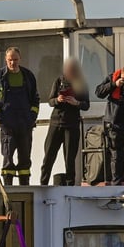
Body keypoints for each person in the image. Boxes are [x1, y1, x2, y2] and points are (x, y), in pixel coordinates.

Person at [0, 47, 40, 186]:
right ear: (6, 60)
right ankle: (9, 189)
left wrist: (32, 117)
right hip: (7, 125)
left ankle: (25, 187)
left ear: (20, 59)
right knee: (8, 159)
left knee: (25, 160)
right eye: (10, 60)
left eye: (15, 60)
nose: (13, 63)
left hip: (25, 124)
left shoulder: (28, 76)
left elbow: (35, 98)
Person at [40, 58, 90, 186]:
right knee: (49, 156)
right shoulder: (59, 80)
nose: (69, 72)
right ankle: (43, 183)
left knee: (69, 158)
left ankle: (70, 184)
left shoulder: (81, 83)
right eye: (68, 70)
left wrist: (76, 102)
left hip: (72, 124)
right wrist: (58, 99)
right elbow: (50, 101)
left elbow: (86, 105)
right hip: (56, 122)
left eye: (72, 70)